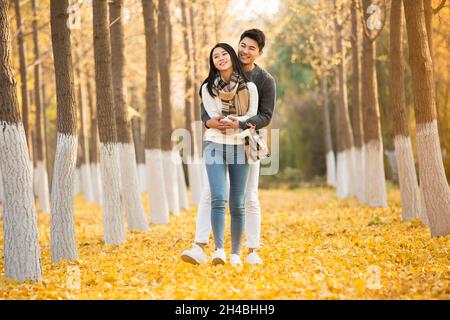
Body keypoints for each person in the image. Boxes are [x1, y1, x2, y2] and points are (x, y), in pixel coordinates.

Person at [182, 29, 276, 265]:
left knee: (249, 197)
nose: (245, 50)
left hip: (248, 142)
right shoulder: (214, 79)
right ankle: (200, 247)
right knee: (211, 194)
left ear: (259, 53)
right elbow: (206, 112)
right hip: (219, 139)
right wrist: (213, 123)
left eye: (252, 48)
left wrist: (241, 123)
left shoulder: (263, 80)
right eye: (242, 45)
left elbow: (265, 116)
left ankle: (252, 250)